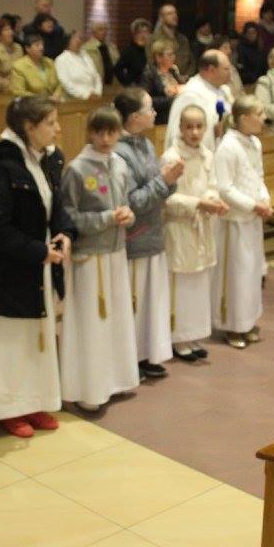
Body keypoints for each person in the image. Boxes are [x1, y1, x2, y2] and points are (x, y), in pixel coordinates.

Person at [0, 96, 74, 438]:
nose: (58, 129)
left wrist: (64, 233)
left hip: (42, 261)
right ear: (29, 127)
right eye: (51, 122)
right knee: (12, 339)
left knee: (38, 337)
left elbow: (56, 204)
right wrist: (37, 251)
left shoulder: (49, 158)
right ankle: (8, 407)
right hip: (13, 265)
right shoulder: (0, 161)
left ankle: (35, 401)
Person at [59, 107, 139, 411]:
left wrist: (127, 215)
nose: (106, 139)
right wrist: (107, 218)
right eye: (99, 132)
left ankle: (114, 380)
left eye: (112, 133)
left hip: (116, 252)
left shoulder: (120, 164)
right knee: (91, 324)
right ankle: (90, 389)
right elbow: (69, 216)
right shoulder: (77, 169)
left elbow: (125, 203)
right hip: (89, 257)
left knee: (115, 321)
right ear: (90, 133)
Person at [114, 89, 180, 380]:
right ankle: (131, 359)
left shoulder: (146, 144)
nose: (154, 113)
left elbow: (157, 186)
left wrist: (170, 179)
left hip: (153, 233)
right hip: (135, 238)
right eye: (149, 109)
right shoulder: (120, 153)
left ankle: (147, 354)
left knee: (151, 301)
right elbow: (133, 201)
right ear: (134, 117)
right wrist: (164, 181)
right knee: (135, 303)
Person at [161, 105, 227, 361]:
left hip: (202, 226)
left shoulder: (208, 155)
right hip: (180, 227)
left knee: (200, 283)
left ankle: (195, 334)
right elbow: (168, 198)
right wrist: (198, 203)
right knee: (181, 286)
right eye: (189, 127)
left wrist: (212, 199)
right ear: (180, 128)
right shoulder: (172, 157)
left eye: (199, 126)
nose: (195, 132)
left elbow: (213, 185)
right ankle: (178, 338)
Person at [214, 97, 272, 347]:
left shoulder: (255, 143)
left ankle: (248, 321)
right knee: (235, 274)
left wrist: (265, 199)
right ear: (244, 118)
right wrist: (252, 205)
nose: (263, 118)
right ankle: (232, 325)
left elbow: (259, 176)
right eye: (259, 113)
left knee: (251, 271)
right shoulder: (227, 147)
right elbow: (225, 188)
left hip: (253, 218)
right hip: (235, 220)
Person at [164, 49, 232, 151]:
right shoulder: (190, 94)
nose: (230, 73)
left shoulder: (224, 91)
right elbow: (178, 132)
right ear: (212, 70)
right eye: (226, 69)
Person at [140, 38, 184, 124]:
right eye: (170, 55)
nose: (173, 57)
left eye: (173, 54)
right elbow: (146, 100)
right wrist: (170, 100)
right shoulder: (149, 74)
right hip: (161, 119)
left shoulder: (173, 71)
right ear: (158, 58)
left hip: (177, 115)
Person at [57, 29, 103, 100]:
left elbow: (96, 76)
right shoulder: (62, 59)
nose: (78, 40)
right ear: (68, 42)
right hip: (73, 100)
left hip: (94, 97)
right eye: (75, 39)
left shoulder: (86, 56)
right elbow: (66, 83)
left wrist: (97, 92)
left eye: (79, 38)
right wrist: (86, 95)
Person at [0, 19, 24, 93]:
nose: (10, 32)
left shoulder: (18, 48)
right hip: (1, 91)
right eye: (6, 30)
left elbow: (23, 69)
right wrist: (10, 86)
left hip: (20, 88)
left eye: (11, 29)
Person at [153, 4, 193, 72]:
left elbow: (191, 61)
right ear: (161, 18)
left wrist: (188, 75)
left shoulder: (183, 39)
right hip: (164, 76)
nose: (174, 16)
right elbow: (152, 64)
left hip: (183, 77)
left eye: (175, 13)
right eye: (169, 14)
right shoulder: (154, 39)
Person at [115, 19, 151, 86]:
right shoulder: (129, 51)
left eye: (146, 32)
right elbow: (118, 70)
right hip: (136, 88)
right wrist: (129, 83)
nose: (143, 35)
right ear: (134, 34)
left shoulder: (151, 50)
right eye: (139, 32)